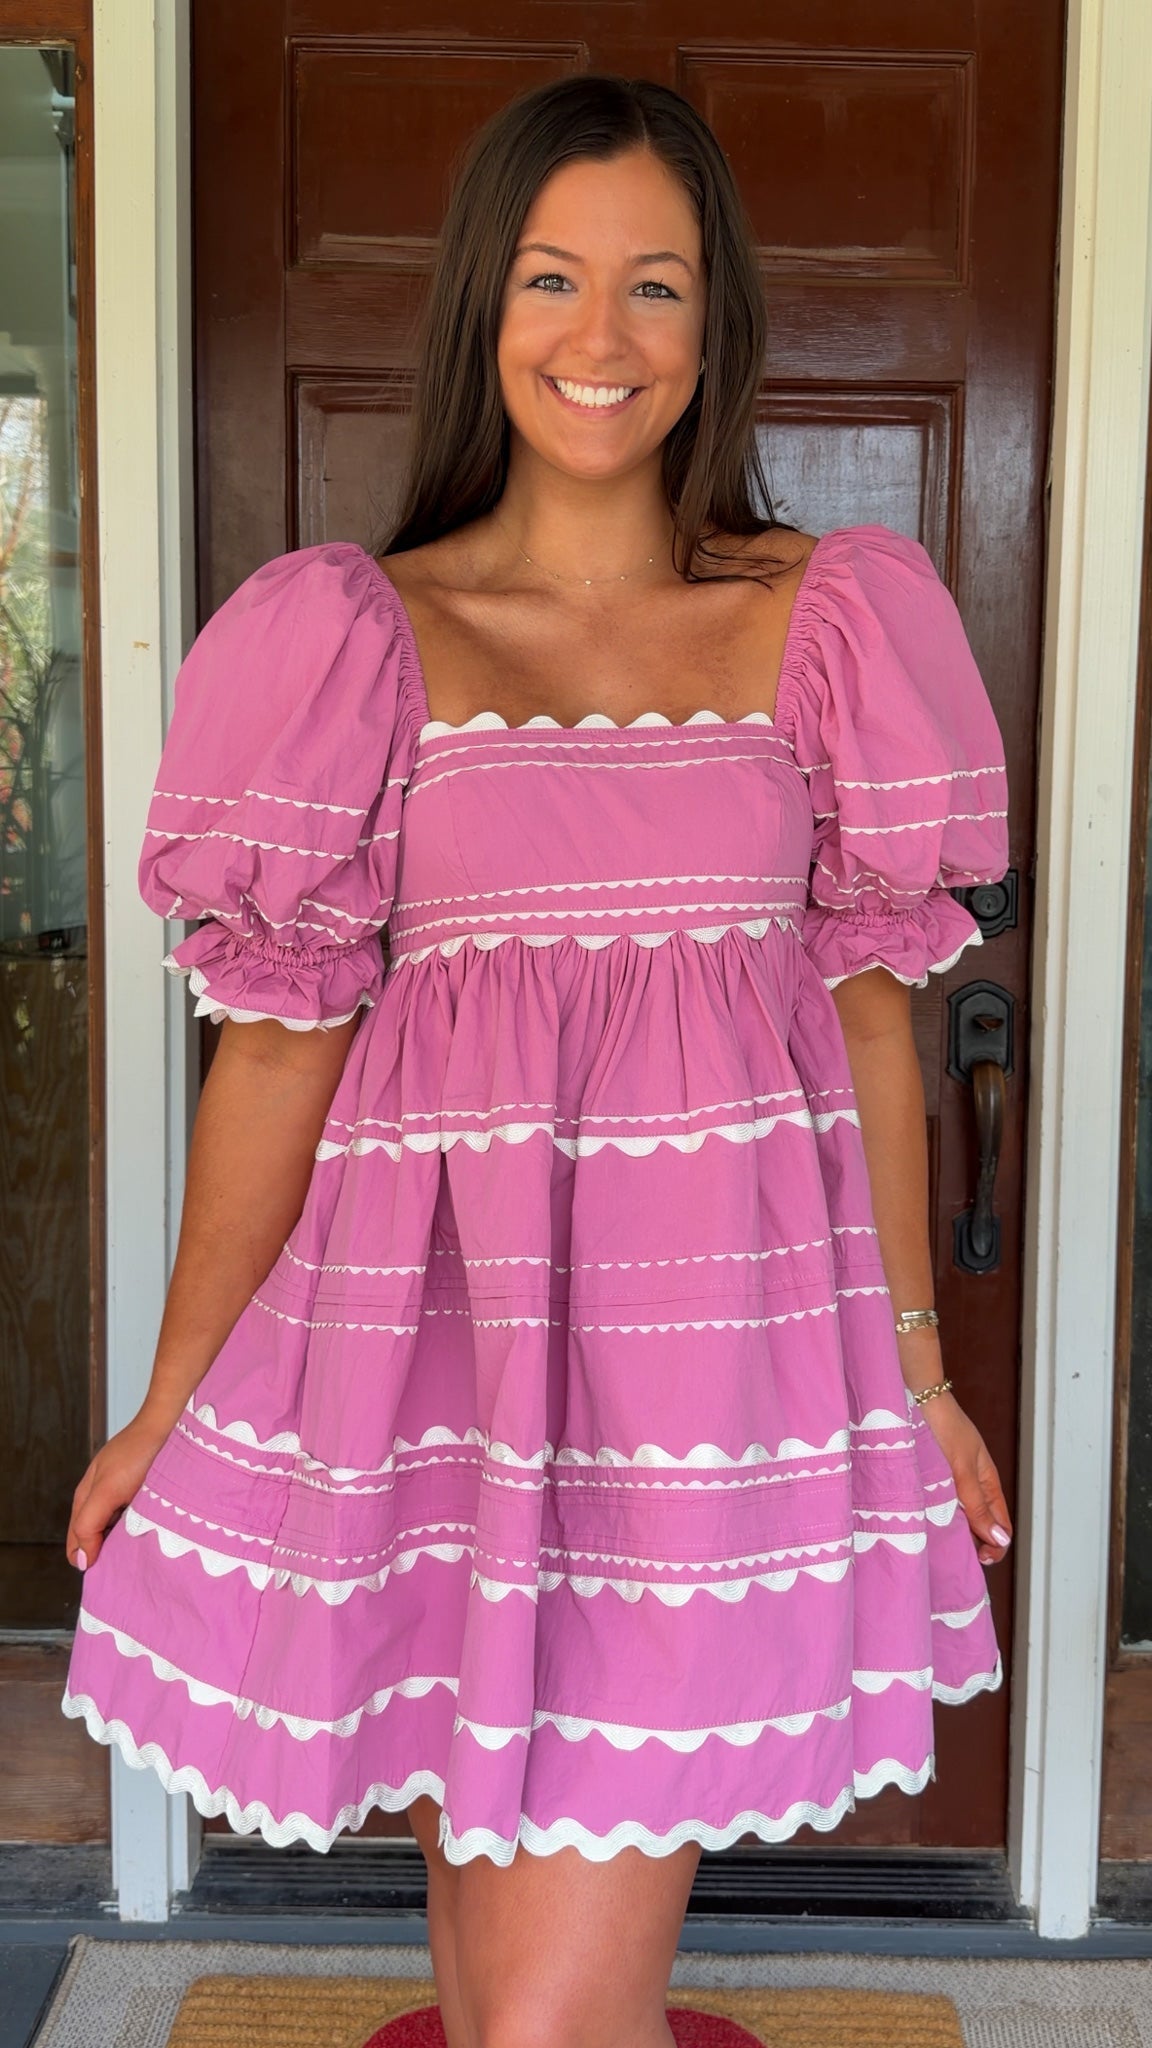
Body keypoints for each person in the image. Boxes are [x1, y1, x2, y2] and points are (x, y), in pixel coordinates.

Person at [62, 72, 1013, 2048]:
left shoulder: (829, 623)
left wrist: (917, 1370)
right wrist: (173, 1404)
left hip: (705, 1410)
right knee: (504, 1997)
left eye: (657, 286)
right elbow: (274, 1060)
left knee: (549, 2027)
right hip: (446, 1395)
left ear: (715, 319)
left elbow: (868, 1018)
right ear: (483, 305)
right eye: (557, 277)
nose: (605, 338)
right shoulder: (357, 637)